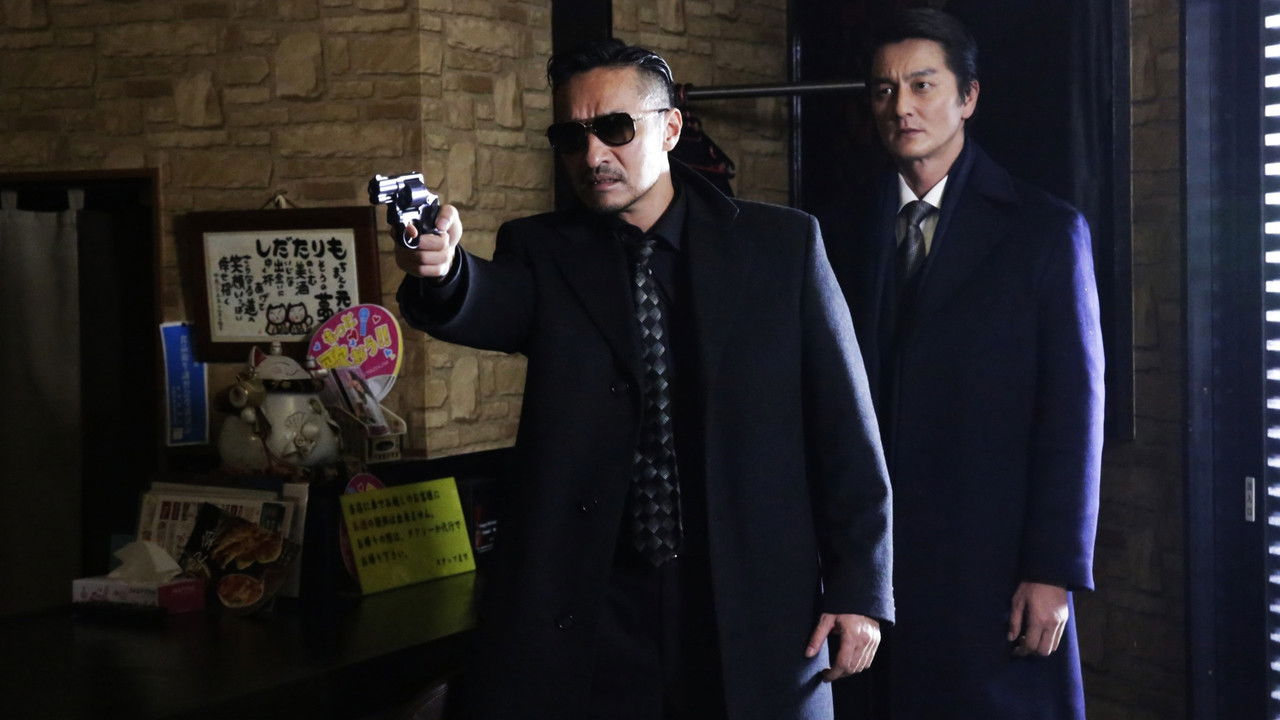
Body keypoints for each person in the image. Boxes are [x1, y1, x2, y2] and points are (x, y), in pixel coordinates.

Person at [394, 39, 894, 720]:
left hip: (749, 596)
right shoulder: (542, 251)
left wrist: (861, 588)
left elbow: (845, 432)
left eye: (615, 129)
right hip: (596, 606)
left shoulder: (782, 247)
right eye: (571, 136)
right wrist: (445, 270)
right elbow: (484, 299)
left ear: (671, 127)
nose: (593, 154)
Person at [819, 9, 1103, 720]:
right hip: (876, 570)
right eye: (884, 90)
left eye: (922, 85)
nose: (902, 107)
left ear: (968, 96)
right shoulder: (835, 230)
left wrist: (1052, 570)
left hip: (993, 563)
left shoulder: (1043, 230)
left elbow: (1073, 412)